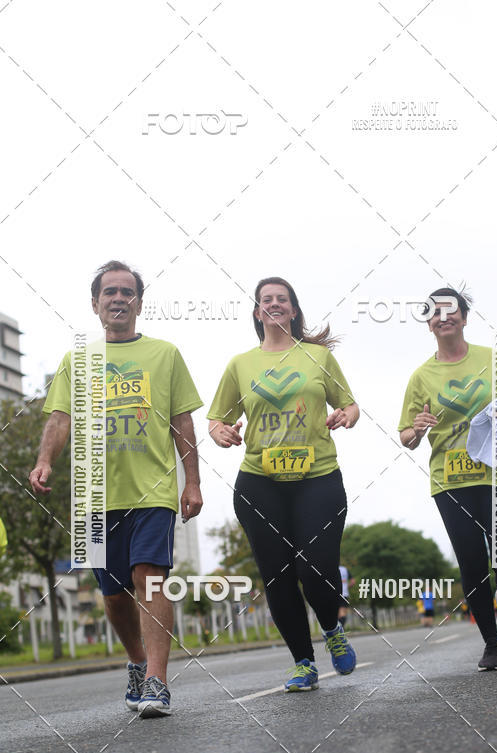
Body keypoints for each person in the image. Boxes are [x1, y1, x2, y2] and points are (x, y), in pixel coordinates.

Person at [29, 260, 203, 717]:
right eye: (110, 292)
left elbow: (182, 421)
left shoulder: (165, 354)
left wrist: (193, 482)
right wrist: (45, 459)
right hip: (93, 493)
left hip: (153, 490)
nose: (119, 299)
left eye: (128, 292)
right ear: (95, 304)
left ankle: (158, 682)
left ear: (139, 303)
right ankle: (137, 661)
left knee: (149, 577)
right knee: (112, 593)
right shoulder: (79, 360)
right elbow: (60, 417)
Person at [208, 276, 359, 691]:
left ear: (293, 310)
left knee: (317, 569)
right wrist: (221, 433)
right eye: (266, 300)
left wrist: (346, 415)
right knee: (276, 575)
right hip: (260, 483)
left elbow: (349, 403)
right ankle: (303, 663)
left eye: (282, 299)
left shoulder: (317, 357)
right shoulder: (241, 364)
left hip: (318, 478)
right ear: (258, 312)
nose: (274, 304)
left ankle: (331, 628)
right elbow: (216, 418)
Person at [399, 287, 497, 671]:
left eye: (451, 309)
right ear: (429, 323)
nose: (444, 316)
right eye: (435, 312)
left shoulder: (493, 360)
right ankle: (491, 642)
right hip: (451, 479)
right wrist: (417, 429)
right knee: (472, 562)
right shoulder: (421, 377)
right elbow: (406, 436)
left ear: (464, 317)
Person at [338, 563, 355, 628]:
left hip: (335, 593)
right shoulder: (345, 569)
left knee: (338, 613)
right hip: (345, 593)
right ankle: (342, 629)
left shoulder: (331, 568)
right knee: (343, 612)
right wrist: (346, 587)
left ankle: (338, 630)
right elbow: (353, 581)